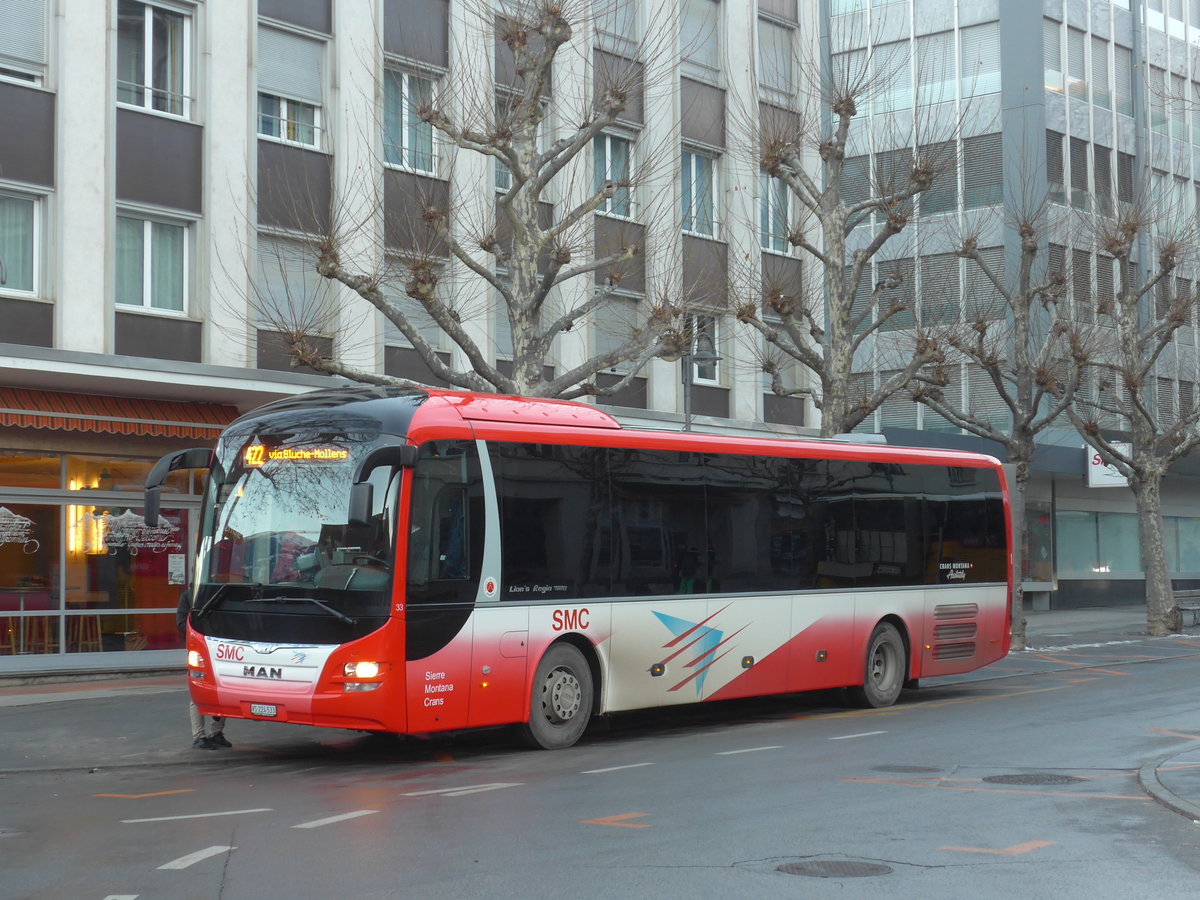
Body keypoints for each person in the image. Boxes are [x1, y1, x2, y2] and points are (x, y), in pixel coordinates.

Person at [177, 587, 230, 750]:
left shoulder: (219, 594)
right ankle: (199, 736)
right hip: (200, 648)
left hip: (219, 649)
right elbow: (182, 623)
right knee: (197, 692)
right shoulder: (188, 596)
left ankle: (216, 733)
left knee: (223, 691)